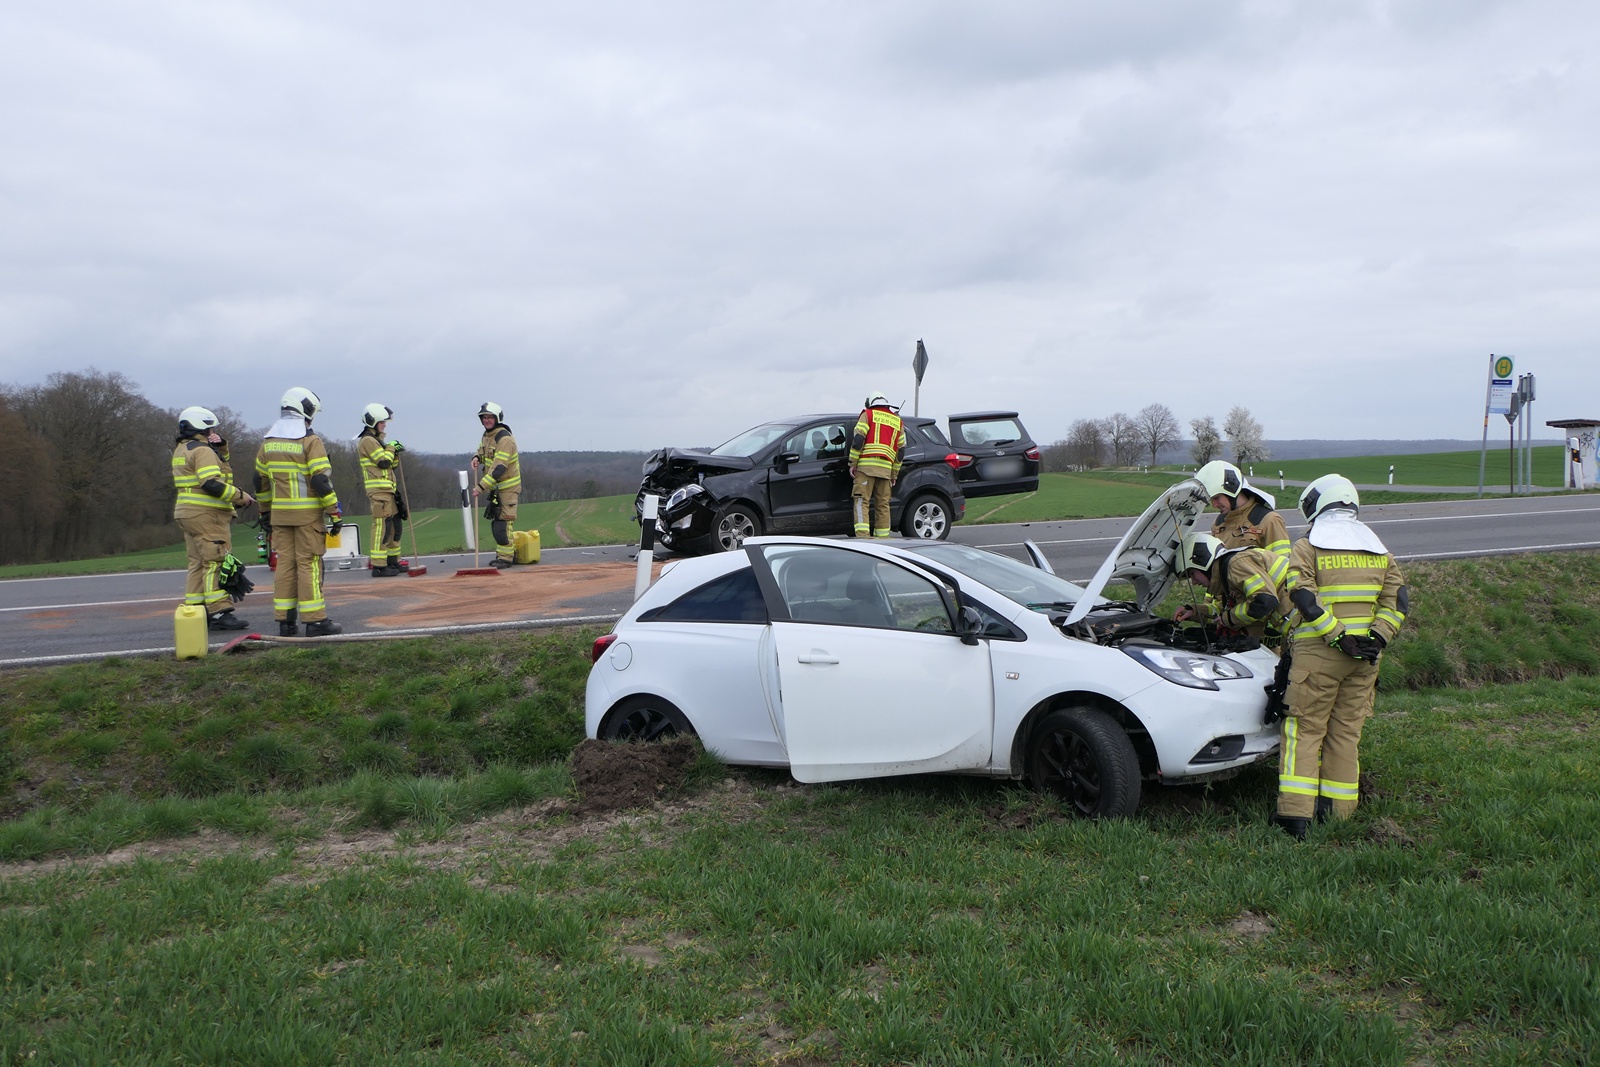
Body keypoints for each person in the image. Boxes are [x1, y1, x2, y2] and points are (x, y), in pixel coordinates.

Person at [1274, 474, 1408, 840]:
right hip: (1365, 660)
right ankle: (1338, 814)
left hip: (1319, 656)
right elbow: (1397, 603)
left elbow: (1303, 596)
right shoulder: (1380, 551)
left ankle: (1295, 818)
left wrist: (1338, 636)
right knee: (1346, 733)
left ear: (1317, 505)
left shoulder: (1308, 546)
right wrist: (1377, 638)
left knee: (1303, 731)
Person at [254, 387, 343, 637]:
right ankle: (315, 621)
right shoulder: (310, 441)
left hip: (280, 516)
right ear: (306, 412)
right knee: (308, 565)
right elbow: (320, 480)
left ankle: (286, 622)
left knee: (285, 565)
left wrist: (264, 512)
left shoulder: (268, 443)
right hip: (307, 517)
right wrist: (334, 512)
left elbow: (259, 480)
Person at [172, 406, 254, 630]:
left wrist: (221, 449)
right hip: (207, 514)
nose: (213, 432)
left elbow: (220, 470)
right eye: (210, 429)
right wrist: (240, 497)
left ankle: (196, 611)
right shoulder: (203, 451)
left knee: (197, 563)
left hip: (186, 513)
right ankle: (220, 612)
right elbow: (212, 483)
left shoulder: (182, 450)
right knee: (215, 562)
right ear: (201, 427)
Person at [1172, 532, 1292, 646]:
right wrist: (1194, 611)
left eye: (1192, 574)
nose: (1194, 582)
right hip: (1295, 626)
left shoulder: (1236, 564)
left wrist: (1228, 618)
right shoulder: (1227, 574)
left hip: (1300, 623)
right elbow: (1227, 610)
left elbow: (1264, 601)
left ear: (1202, 561)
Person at [1194, 460, 1291, 559]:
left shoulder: (1269, 520)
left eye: (1216, 498)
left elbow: (1282, 565)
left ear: (1232, 489)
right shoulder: (1217, 524)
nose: (1214, 505)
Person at [357, 403, 407, 577]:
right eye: (382, 422)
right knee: (382, 527)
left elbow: (391, 465)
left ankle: (392, 561)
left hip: (388, 491)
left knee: (395, 526)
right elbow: (383, 462)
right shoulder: (368, 441)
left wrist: (395, 452)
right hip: (378, 492)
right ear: (373, 422)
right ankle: (379, 566)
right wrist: (392, 447)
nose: (385, 425)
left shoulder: (377, 441)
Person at [848, 392, 905, 538]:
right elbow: (900, 451)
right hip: (886, 471)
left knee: (862, 502)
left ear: (870, 404)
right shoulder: (897, 421)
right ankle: (883, 539)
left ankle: (863, 539)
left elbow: (858, 440)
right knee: (883, 505)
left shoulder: (868, 414)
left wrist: (853, 463)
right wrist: (894, 474)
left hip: (866, 468)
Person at [470, 401, 521, 568]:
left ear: (497, 418)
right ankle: (503, 555)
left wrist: (480, 487)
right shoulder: (487, 435)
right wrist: (477, 458)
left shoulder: (505, 439)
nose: (486, 420)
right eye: (484, 417)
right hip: (496, 489)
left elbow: (499, 468)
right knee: (498, 524)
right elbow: (482, 450)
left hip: (507, 489)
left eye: (490, 417)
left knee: (503, 525)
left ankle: (506, 558)